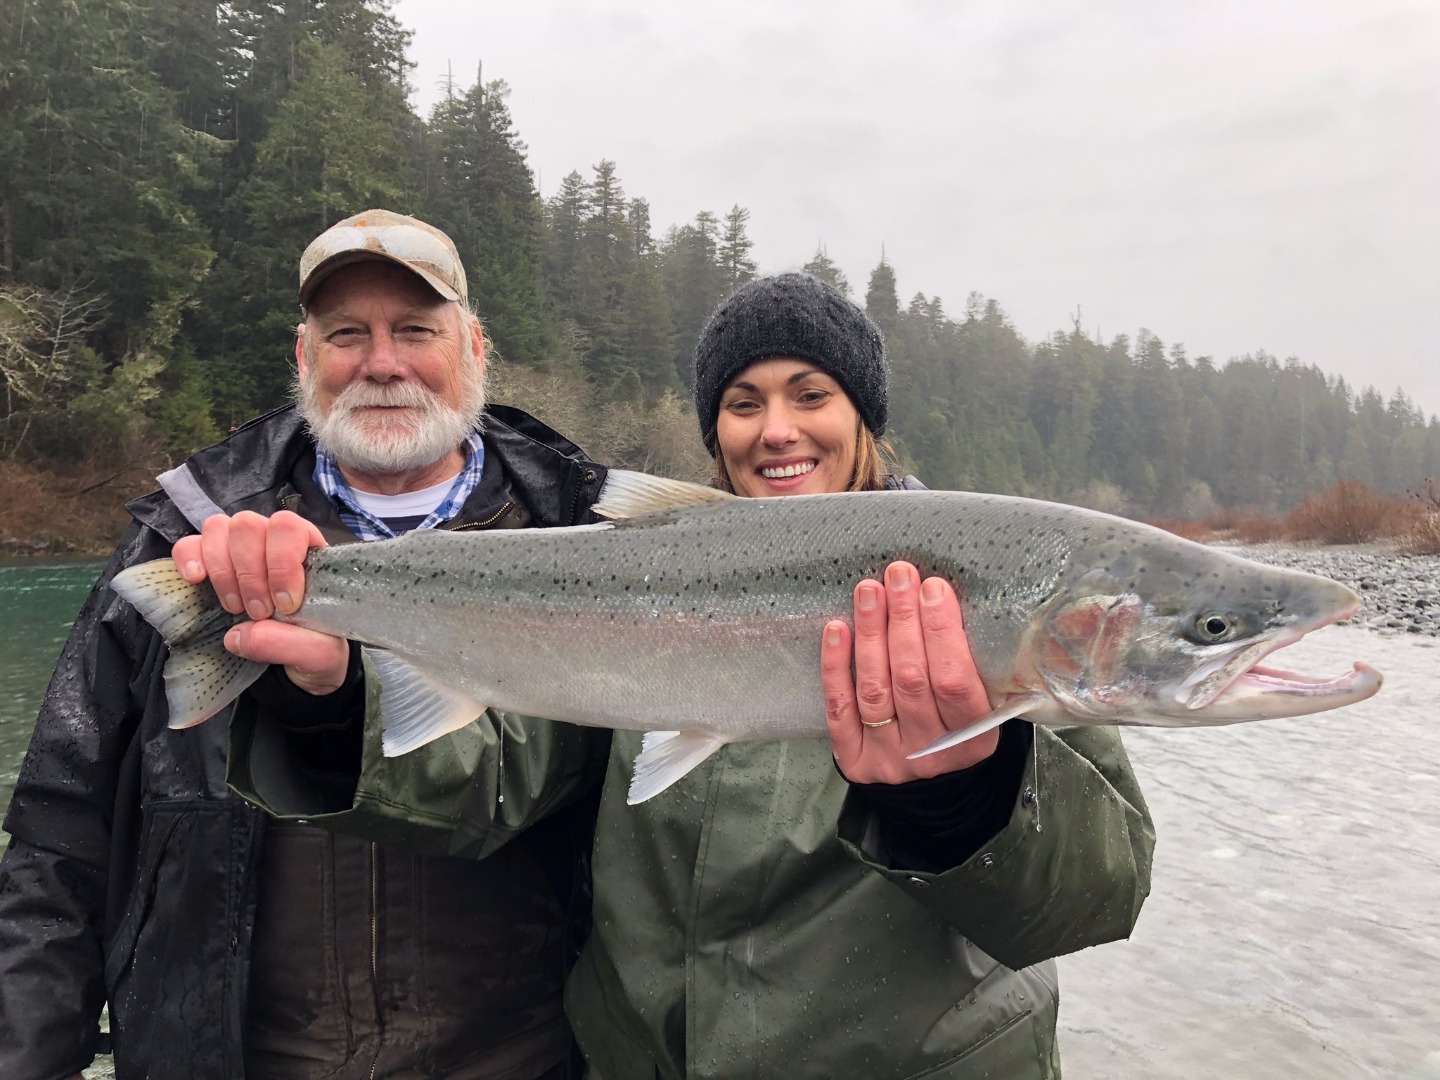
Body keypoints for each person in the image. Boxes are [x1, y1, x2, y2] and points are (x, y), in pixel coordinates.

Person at [214, 273, 1156, 1079]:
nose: (776, 430)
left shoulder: (989, 598)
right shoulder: (648, 577)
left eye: (811, 394)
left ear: (864, 416)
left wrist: (965, 797)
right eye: (743, 403)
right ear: (714, 432)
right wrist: (334, 700)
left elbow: (1095, 897)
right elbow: (488, 778)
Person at [0, 209, 612, 1079]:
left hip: (526, 1055)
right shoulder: (184, 540)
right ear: (303, 356)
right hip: (234, 1056)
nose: (383, 362)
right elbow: (58, 837)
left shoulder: (584, 533)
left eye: (415, 330)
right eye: (346, 334)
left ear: (474, 345)